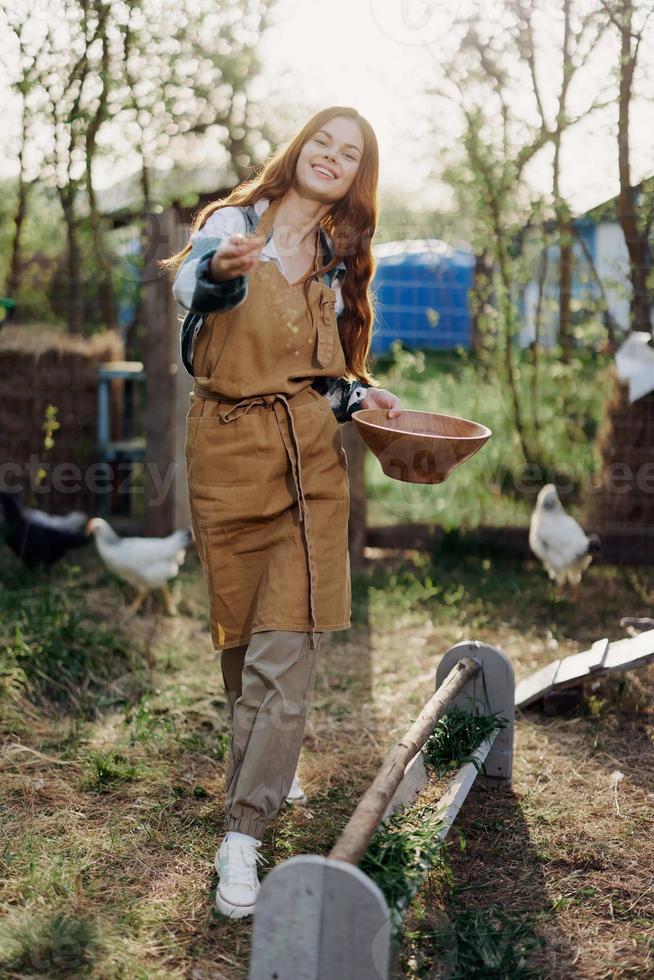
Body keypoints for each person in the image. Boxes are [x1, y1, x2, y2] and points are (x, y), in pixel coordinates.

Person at [162, 106, 402, 918]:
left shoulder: (340, 261)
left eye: (350, 154)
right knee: (240, 638)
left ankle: (244, 833)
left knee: (286, 647)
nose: (332, 159)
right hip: (228, 456)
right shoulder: (233, 225)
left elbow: (322, 379)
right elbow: (192, 286)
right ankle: (267, 757)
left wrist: (365, 395)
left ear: (356, 175)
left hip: (308, 465)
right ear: (299, 151)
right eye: (322, 143)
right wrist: (224, 269)